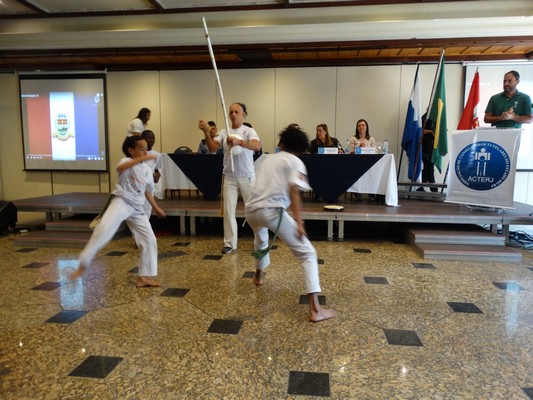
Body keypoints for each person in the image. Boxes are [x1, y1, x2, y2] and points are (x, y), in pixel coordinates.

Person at [245, 125, 336, 323]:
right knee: (308, 253)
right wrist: (299, 222)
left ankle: (259, 276)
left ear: (282, 143)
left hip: (251, 211)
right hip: (272, 212)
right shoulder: (296, 162)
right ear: (301, 147)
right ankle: (315, 310)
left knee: (261, 242)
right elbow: (295, 191)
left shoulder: (268, 159)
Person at [70, 135, 166, 287]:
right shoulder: (127, 162)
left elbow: (148, 192)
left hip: (137, 207)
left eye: (146, 149)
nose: (145, 152)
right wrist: (140, 159)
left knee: (149, 239)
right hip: (121, 202)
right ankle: (83, 264)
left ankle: (143, 277)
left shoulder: (147, 170)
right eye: (141, 149)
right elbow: (119, 168)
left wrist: (156, 208)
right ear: (131, 150)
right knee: (104, 229)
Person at [198, 102, 261, 254]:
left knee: (252, 210)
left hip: (247, 176)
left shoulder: (248, 131)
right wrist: (206, 133)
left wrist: (239, 141)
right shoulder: (224, 131)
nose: (233, 114)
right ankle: (229, 243)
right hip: (230, 177)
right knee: (228, 211)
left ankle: (260, 241)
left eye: (236, 112)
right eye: (231, 112)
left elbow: (256, 146)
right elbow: (213, 148)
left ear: (243, 114)